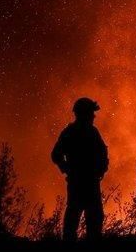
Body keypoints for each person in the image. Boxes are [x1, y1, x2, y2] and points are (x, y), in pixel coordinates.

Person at [51, 97, 108, 241]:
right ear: (83, 113)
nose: (93, 116)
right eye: (91, 113)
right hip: (80, 183)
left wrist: (102, 167)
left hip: (89, 182)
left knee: (92, 218)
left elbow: (102, 152)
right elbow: (56, 154)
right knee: (75, 217)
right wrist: (68, 169)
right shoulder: (72, 132)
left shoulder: (90, 132)